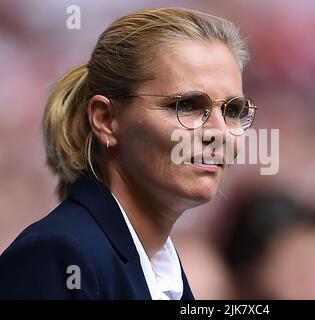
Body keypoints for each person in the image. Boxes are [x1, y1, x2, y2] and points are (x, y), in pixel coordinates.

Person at [0, 7, 256, 299]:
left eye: (233, 110)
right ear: (105, 119)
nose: (220, 133)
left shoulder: (163, 270)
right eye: (187, 105)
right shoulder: (60, 255)